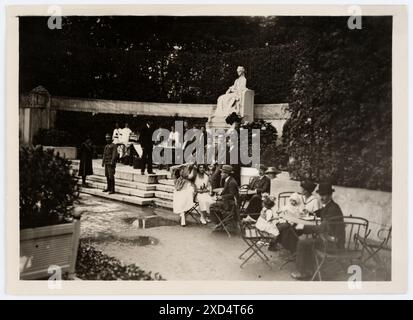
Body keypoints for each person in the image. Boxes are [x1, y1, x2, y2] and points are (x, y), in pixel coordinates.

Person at [290, 182, 345, 280]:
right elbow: (321, 213)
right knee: (309, 241)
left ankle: (303, 272)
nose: (321, 198)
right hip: (330, 239)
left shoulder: (333, 209)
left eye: (324, 195)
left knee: (303, 243)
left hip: (333, 243)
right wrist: (310, 212)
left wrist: (303, 228)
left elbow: (321, 228)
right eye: (320, 195)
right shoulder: (330, 206)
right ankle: (310, 269)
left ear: (330, 195)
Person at [210, 165, 239, 233]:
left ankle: (219, 223)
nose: (221, 174)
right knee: (214, 204)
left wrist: (221, 197)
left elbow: (232, 195)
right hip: (228, 202)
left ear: (226, 174)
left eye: (222, 173)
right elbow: (227, 191)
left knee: (212, 206)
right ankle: (221, 223)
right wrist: (221, 193)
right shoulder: (228, 180)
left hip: (230, 204)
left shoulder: (231, 182)